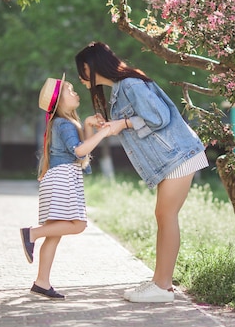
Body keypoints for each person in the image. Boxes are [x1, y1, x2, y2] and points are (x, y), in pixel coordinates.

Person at [75, 42, 209, 303]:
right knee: (163, 215)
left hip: (179, 154)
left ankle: (163, 286)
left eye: (81, 71)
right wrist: (116, 124)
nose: (81, 77)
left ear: (90, 67)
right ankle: (161, 284)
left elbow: (158, 118)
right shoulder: (122, 87)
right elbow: (143, 119)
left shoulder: (130, 84)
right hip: (171, 157)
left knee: (165, 214)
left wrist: (123, 123)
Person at [20, 74, 111, 300]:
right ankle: (31, 233)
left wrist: (88, 125)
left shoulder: (63, 123)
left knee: (55, 234)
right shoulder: (63, 124)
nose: (75, 92)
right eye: (70, 91)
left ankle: (42, 282)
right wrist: (104, 132)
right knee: (78, 224)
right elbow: (79, 152)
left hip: (59, 176)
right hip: (63, 177)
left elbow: (82, 150)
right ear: (59, 101)